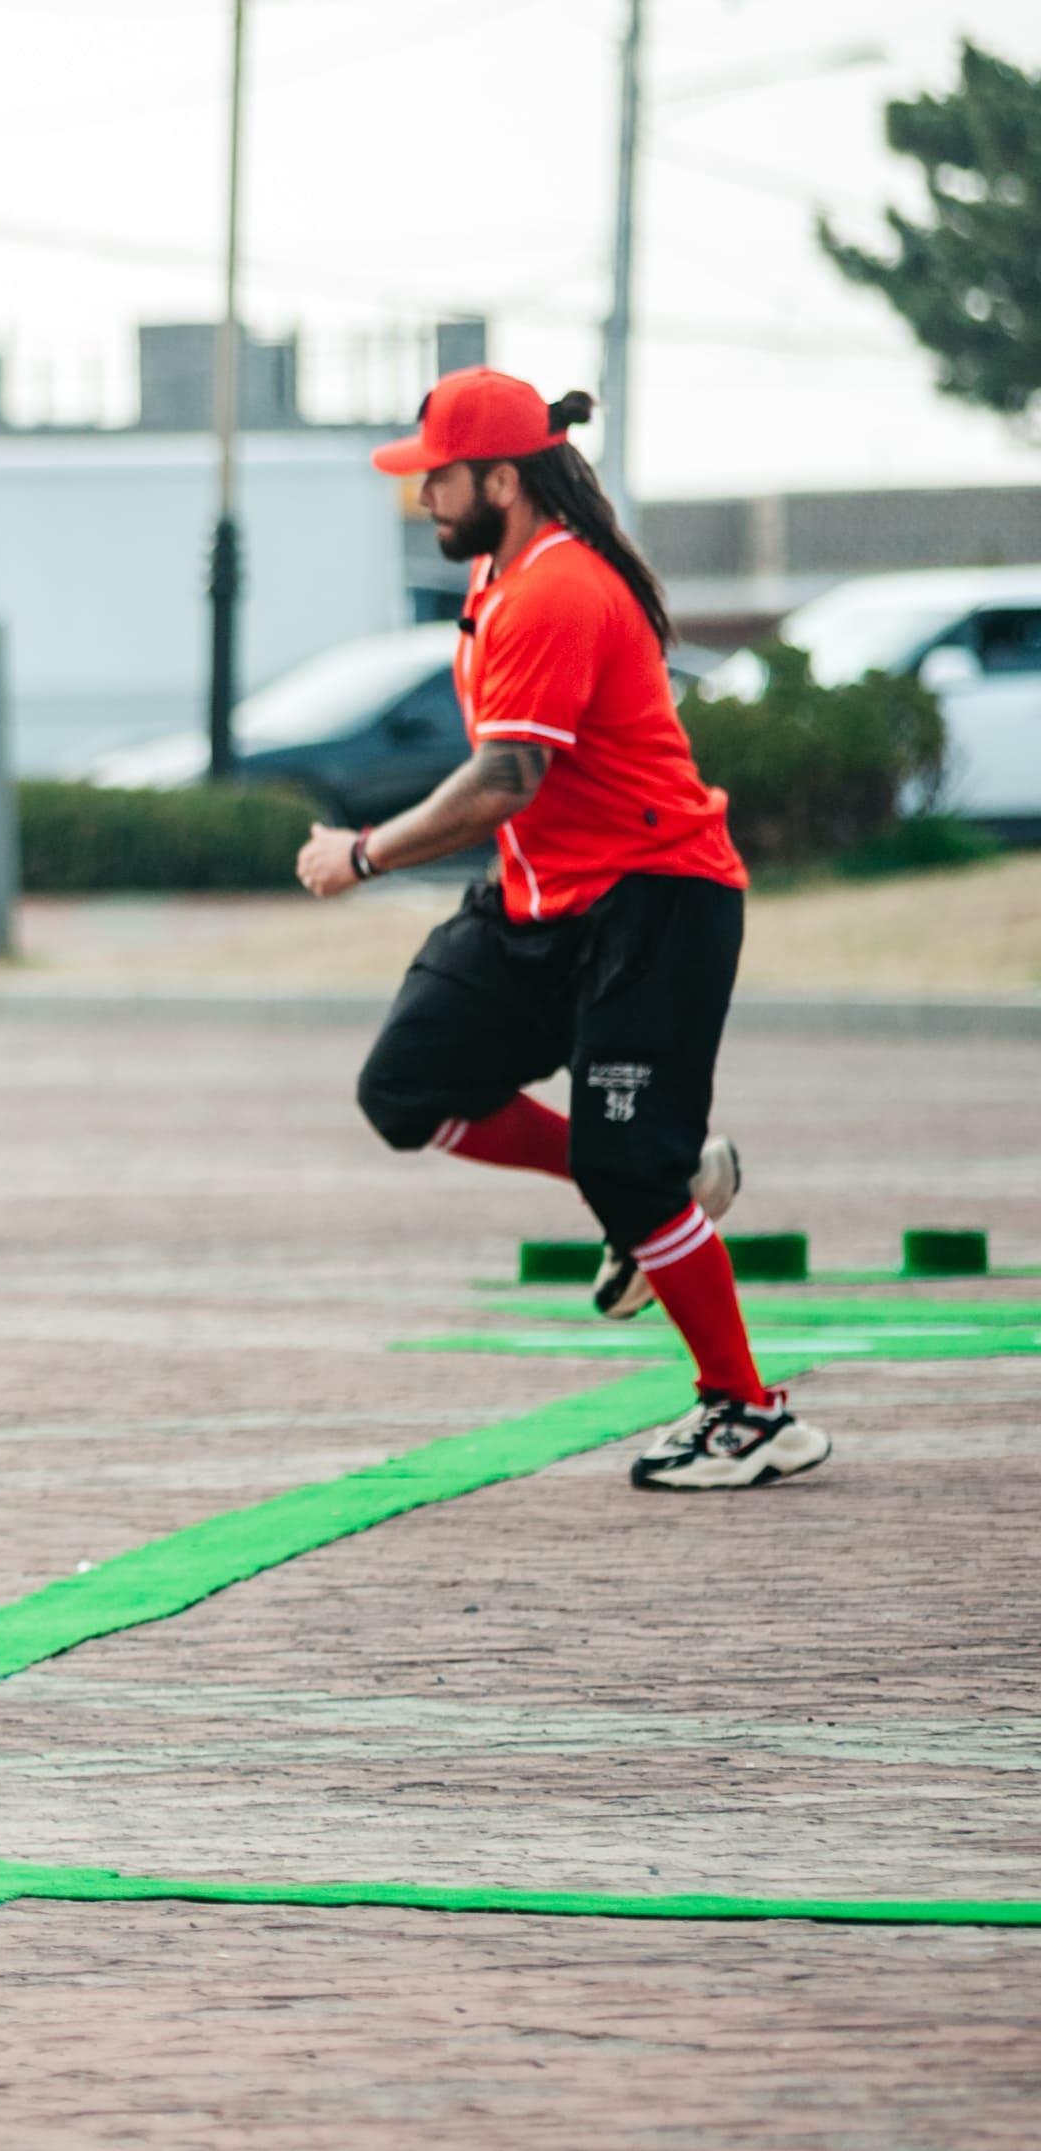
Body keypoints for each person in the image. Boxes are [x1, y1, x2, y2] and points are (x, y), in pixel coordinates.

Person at [298, 367, 821, 1493]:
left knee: (626, 1172)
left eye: (437, 478)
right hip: (542, 901)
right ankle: (669, 1171)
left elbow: (506, 777)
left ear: (502, 479)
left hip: (654, 899)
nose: (423, 497)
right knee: (406, 1091)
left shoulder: (557, 592)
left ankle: (749, 1414)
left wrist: (365, 853)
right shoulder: (497, 570)